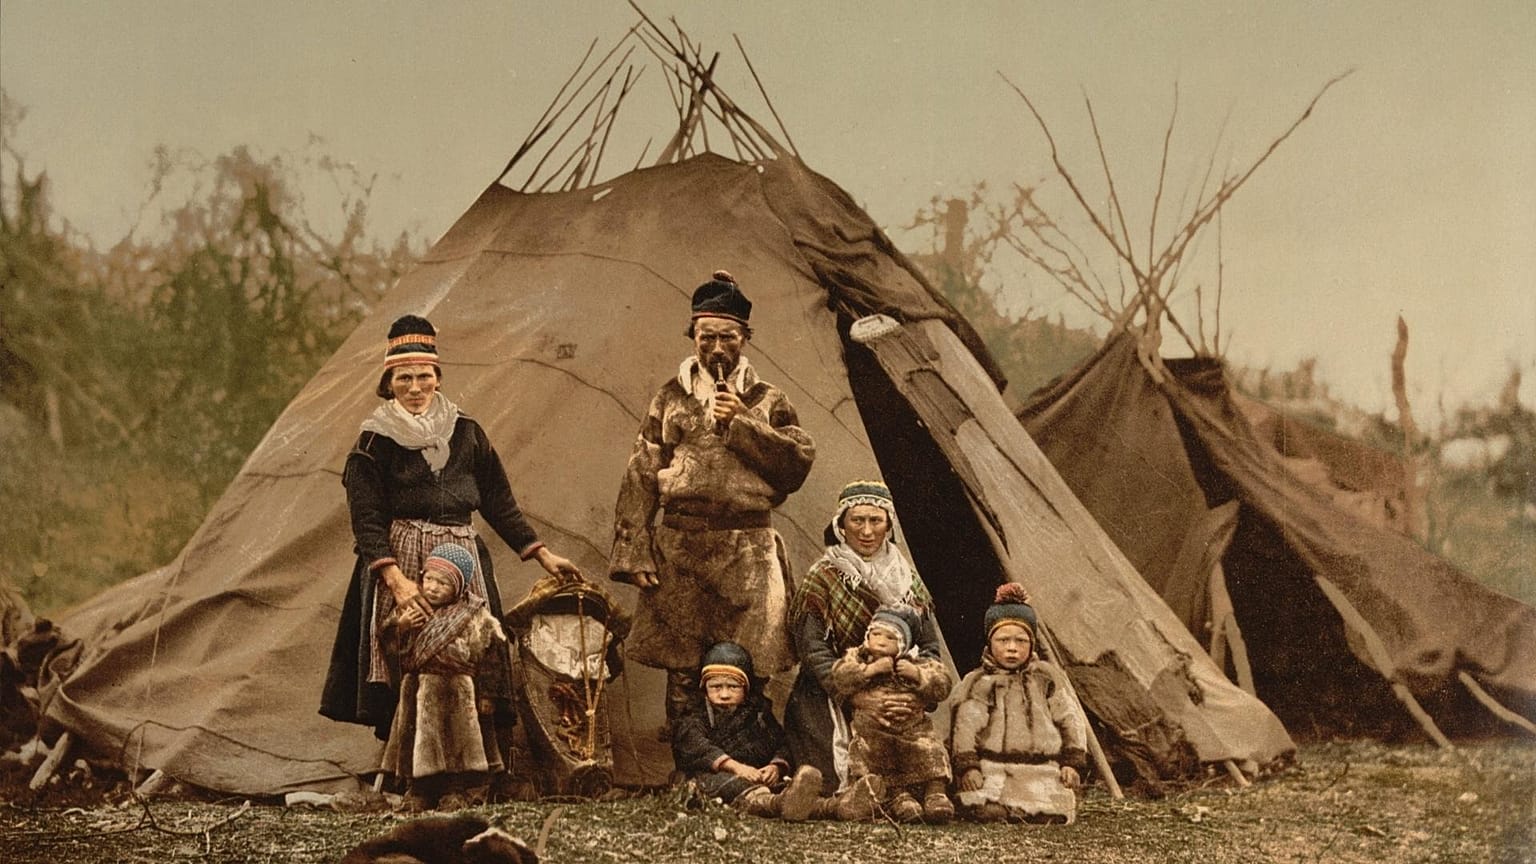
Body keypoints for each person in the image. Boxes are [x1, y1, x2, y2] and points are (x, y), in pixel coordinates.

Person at [321, 313, 582, 788]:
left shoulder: (467, 433)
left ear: (438, 377)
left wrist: (541, 554)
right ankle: (409, 772)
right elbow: (367, 520)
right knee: (409, 654)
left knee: (473, 657)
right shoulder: (372, 442)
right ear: (388, 382)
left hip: (462, 558)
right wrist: (396, 581)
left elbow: (500, 503)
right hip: (401, 558)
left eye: (424, 376)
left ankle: (478, 770)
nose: (415, 387)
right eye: (404, 378)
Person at [608, 270, 815, 721]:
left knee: (749, 662)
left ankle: (749, 763)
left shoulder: (767, 399)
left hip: (748, 549)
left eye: (728, 337)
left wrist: (744, 422)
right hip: (681, 544)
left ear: (745, 338)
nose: (717, 348)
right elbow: (642, 471)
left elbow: (796, 465)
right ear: (693, 337)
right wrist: (635, 550)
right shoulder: (670, 396)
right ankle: (690, 766)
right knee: (683, 665)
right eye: (707, 338)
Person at [783, 480, 943, 798]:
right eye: (857, 520)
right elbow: (812, 649)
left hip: (896, 691)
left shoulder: (908, 580)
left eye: (876, 520)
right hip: (831, 692)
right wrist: (856, 695)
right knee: (835, 781)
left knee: (916, 772)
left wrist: (916, 695)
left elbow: (929, 647)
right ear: (842, 525)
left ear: (889, 525)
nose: (866, 531)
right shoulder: (823, 576)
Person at [378, 543, 508, 811]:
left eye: (443, 583)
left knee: (457, 744)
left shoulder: (475, 615)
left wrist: (488, 695)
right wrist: (399, 628)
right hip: (418, 688)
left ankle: (455, 791)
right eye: (429, 579)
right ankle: (418, 791)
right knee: (416, 741)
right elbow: (391, 650)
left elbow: (492, 656)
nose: (433, 588)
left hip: (457, 691)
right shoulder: (410, 610)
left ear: (459, 588)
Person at [949, 582, 1088, 824]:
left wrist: (1072, 763)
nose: (1012, 648)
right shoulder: (979, 682)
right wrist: (968, 767)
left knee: (1053, 808)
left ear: (1032, 644)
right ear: (990, 644)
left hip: (1042, 768)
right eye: (1003, 640)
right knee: (982, 806)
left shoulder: (1046, 678)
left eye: (1021, 641)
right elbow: (965, 726)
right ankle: (1000, 808)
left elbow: (1070, 720)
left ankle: (1034, 808)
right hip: (994, 768)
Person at [670, 642, 832, 821]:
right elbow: (698, 746)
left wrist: (775, 767)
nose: (724, 694)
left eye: (733, 687)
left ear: (745, 689)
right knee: (722, 786)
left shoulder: (757, 713)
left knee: (785, 784)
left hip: (755, 776)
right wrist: (737, 768)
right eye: (716, 687)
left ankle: (836, 807)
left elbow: (781, 741)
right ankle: (779, 804)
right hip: (713, 778)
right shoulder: (694, 716)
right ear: (705, 689)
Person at [828, 605, 954, 823]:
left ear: (903, 643)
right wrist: (870, 670)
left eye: (890, 637)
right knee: (877, 756)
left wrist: (917, 675)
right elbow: (839, 677)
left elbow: (942, 683)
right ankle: (898, 798)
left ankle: (935, 793)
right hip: (875, 730)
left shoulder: (914, 662)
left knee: (930, 748)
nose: (881, 641)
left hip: (913, 727)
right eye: (876, 634)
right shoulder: (858, 658)